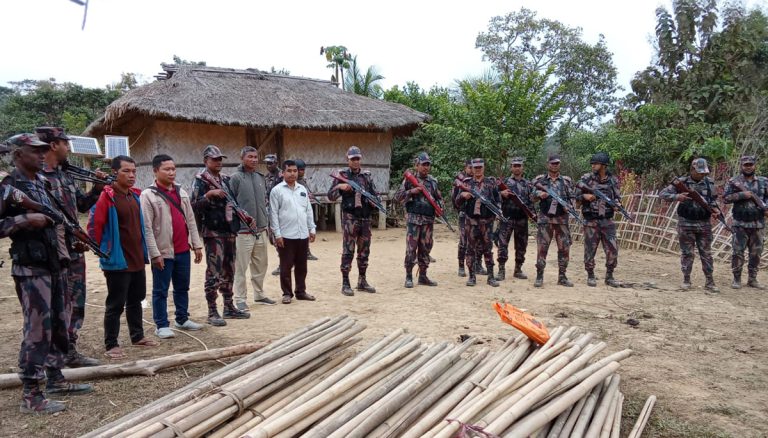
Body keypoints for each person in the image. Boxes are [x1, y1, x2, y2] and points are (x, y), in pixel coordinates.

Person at [1, 133, 93, 414]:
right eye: (35, 151)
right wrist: (23, 219)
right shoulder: (9, 186)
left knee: (59, 325)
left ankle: (55, 378)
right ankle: (31, 394)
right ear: (18, 155)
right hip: (31, 269)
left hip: (55, 264)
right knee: (37, 331)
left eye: (44, 151)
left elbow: (57, 219)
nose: (42, 155)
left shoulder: (41, 184)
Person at [37, 126, 102, 367]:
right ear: (54, 145)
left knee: (77, 300)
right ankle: (50, 353)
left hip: (75, 249)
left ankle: (69, 349)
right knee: (53, 304)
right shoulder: (37, 177)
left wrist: (96, 189)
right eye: (65, 142)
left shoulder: (65, 175)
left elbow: (81, 206)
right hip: (51, 253)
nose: (68, 147)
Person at [88, 155, 159, 359]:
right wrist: (102, 251)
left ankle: (137, 337)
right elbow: (95, 225)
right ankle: (111, 344)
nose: (131, 175)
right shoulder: (107, 197)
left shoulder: (134, 196)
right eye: (126, 171)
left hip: (136, 258)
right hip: (117, 260)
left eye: (134, 171)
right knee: (115, 304)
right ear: (114, 173)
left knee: (136, 299)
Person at [140, 154, 205, 339]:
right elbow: (147, 228)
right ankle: (161, 324)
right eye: (166, 169)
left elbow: (190, 220)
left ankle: (182, 318)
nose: (171, 172)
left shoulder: (181, 192)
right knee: (160, 289)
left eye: (173, 169)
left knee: (182, 286)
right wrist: (154, 254)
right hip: (163, 251)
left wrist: (197, 244)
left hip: (183, 249)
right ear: (155, 171)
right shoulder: (148, 195)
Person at [190, 145, 251, 325]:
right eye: (214, 159)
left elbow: (233, 203)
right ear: (205, 161)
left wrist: (245, 217)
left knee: (229, 270)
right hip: (213, 232)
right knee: (214, 272)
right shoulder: (200, 180)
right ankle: (212, 311)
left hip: (229, 230)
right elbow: (193, 205)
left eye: (220, 159)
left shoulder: (225, 179)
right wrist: (209, 194)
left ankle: (229, 306)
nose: (218, 162)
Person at [660, 158, 721, 292]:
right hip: (686, 223)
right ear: (692, 170)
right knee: (687, 253)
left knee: (706, 253)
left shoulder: (709, 183)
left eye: (704, 173)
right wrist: (677, 197)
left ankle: (710, 282)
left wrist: (716, 211)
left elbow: (712, 201)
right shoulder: (682, 182)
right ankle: (686, 280)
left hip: (704, 223)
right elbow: (663, 194)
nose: (702, 175)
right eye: (699, 172)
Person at [327, 146, 379, 296]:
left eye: (358, 159)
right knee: (348, 251)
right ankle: (345, 282)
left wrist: (372, 201)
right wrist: (340, 186)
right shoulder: (342, 175)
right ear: (348, 159)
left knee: (364, 251)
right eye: (353, 159)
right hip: (350, 218)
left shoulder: (367, 176)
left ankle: (362, 281)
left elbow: (375, 195)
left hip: (365, 218)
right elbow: (331, 196)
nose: (356, 162)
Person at [230, 146, 276, 308]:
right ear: (242, 158)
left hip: (261, 229)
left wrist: (266, 225)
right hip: (243, 232)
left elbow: (264, 202)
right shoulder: (235, 178)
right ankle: (240, 299)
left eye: (256, 157)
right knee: (241, 267)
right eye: (250, 157)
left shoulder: (260, 177)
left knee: (261, 265)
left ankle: (259, 294)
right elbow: (231, 204)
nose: (254, 160)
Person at [270, 159, 317, 304]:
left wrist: (312, 228)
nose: (292, 174)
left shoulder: (302, 190)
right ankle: (287, 293)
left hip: (302, 234)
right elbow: (273, 214)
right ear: (283, 173)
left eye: (295, 171)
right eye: (289, 171)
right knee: (286, 265)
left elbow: (308, 210)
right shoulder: (276, 191)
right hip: (286, 235)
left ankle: (301, 292)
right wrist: (277, 234)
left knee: (302, 265)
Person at [394, 152, 442, 288]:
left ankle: (423, 276)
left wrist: (440, 209)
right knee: (411, 249)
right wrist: (411, 192)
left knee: (425, 248)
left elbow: (439, 198)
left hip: (428, 221)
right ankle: (408, 276)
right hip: (414, 220)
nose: (426, 167)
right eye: (423, 165)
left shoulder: (433, 182)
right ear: (416, 165)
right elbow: (398, 197)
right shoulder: (409, 180)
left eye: (428, 165)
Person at [574, 152, 621, 287]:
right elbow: (575, 197)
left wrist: (618, 205)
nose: (593, 165)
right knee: (590, 249)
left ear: (604, 165)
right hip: (591, 220)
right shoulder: (586, 178)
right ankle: (590, 275)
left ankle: (610, 276)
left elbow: (617, 197)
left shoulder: (613, 180)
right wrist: (585, 197)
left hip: (607, 219)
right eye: (593, 163)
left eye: (596, 163)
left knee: (612, 249)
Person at [724, 155, 768, 289]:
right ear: (741, 166)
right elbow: (725, 198)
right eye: (745, 165)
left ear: (755, 165)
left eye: (750, 164)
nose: (748, 167)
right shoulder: (734, 181)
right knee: (738, 252)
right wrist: (742, 195)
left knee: (756, 253)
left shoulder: (763, 181)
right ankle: (736, 279)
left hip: (758, 224)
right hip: (740, 224)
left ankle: (752, 279)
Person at [455, 158, 501, 287]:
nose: (478, 169)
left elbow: (498, 200)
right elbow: (457, 202)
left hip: (487, 222)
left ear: (484, 167)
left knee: (488, 249)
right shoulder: (466, 183)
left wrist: (497, 213)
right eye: (476, 167)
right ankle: (471, 277)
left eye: (480, 167)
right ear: (472, 168)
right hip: (471, 222)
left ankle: (491, 277)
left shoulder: (491, 183)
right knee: (470, 250)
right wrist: (463, 195)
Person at [531, 154, 576, 288]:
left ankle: (562, 276)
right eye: (552, 163)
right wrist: (540, 194)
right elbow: (531, 196)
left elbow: (572, 197)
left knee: (564, 248)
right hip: (545, 220)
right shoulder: (540, 180)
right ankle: (539, 276)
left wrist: (570, 206)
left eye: (557, 163)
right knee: (542, 248)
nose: (555, 165)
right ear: (548, 164)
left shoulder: (566, 181)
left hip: (562, 220)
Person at [496, 157, 534, 281]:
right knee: (502, 244)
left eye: (519, 166)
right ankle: (501, 270)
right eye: (515, 165)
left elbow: (531, 201)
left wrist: (532, 215)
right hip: (507, 218)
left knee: (522, 245)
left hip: (522, 219)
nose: (517, 168)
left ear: (523, 168)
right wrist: (501, 194)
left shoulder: (528, 184)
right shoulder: (505, 182)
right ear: (511, 167)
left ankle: (518, 269)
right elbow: (494, 197)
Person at [452, 160, 473, 277]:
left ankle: (476, 265)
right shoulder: (461, 181)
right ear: (465, 168)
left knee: (477, 242)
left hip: (476, 216)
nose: (472, 170)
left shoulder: (476, 181)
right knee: (463, 241)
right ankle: (461, 266)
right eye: (470, 167)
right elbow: (454, 198)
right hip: (464, 214)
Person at [295, 158, 319, 261]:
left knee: (304, 232)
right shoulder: (292, 181)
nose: (301, 172)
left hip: (304, 210)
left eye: (303, 170)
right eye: (299, 170)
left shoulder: (302, 181)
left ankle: (307, 252)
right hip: (294, 211)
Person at [265, 153, 284, 276]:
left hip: (281, 211)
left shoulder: (282, 175)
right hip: (270, 210)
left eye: (271, 163)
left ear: (276, 163)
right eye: (267, 163)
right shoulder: (266, 177)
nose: (268, 165)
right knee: (272, 238)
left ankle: (283, 264)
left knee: (280, 238)